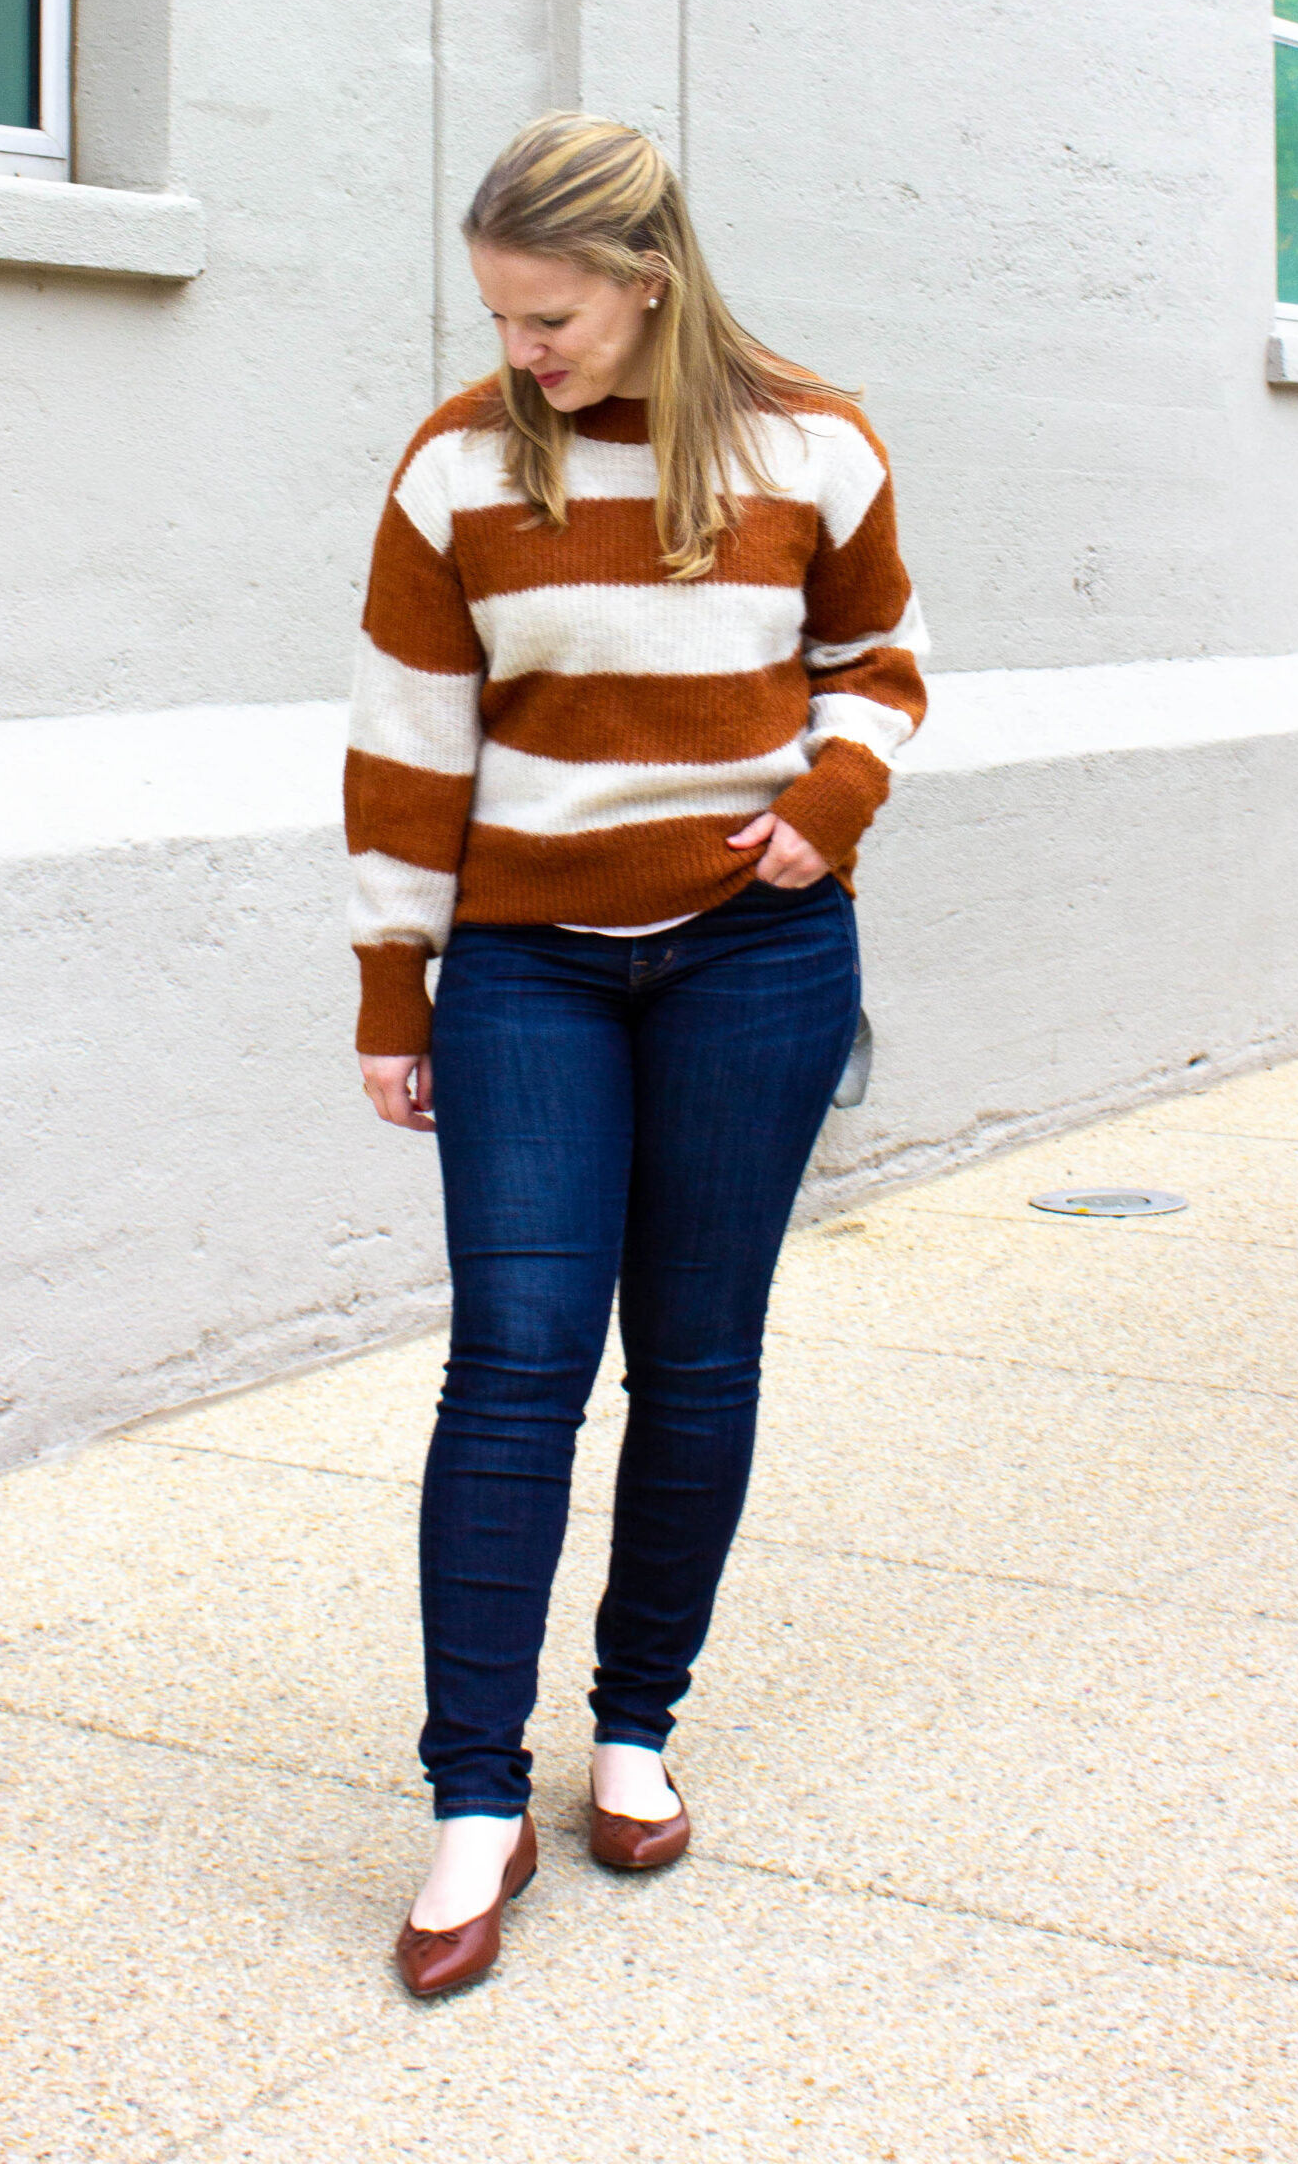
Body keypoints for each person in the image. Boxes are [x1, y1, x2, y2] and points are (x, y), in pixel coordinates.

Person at [346, 113, 927, 1996]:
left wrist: (831, 801)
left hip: (754, 954)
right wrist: (390, 984)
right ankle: (466, 1799)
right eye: (502, 318)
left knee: (694, 1354)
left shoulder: (811, 443)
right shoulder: (455, 471)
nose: (523, 352)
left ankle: (633, 1728)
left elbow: (883, 665)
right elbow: (410, 740)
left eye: (548, 316)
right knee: (514, 1361)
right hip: (528, 969)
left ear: (645, 282)